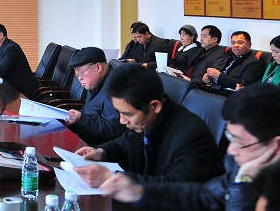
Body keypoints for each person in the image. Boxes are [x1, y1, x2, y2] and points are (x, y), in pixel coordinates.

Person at [100, 83, 280, 211]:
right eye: (230, 138)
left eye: (240, 142)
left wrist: (244, 183)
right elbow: (203, 194)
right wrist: (140, 192)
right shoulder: (251, 167)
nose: (231, 151)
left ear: (276, 145)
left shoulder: (247, 172)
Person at [73, 62, 223, 188]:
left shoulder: (192, 136)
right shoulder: (144, 119)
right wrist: (101, 152)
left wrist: (113, 177)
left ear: (154, 106)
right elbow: (123, 143)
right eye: (119, 112)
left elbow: (177, 189)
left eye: (127, 114)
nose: (122, 121)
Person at [63, 47, 122, 146]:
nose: (80, 79)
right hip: (85, 137)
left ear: (98, 67)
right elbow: (90, 111)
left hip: (99, 147)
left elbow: (113, 129)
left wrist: (81, 118)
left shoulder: (115, 87)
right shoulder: (95, 82)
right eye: (77, 75)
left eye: (82, 73)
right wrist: (73, 118)